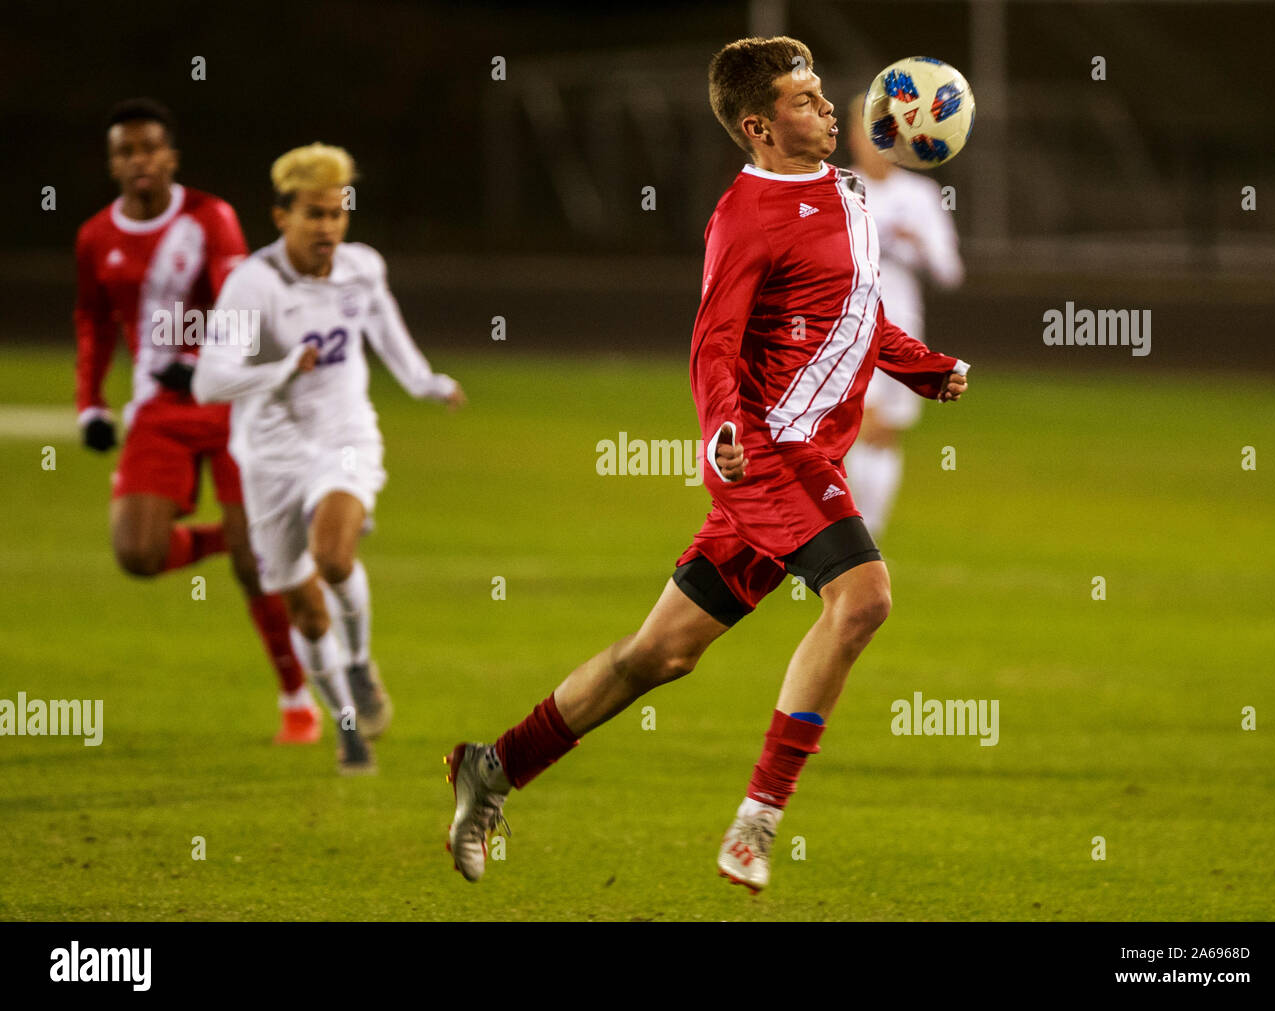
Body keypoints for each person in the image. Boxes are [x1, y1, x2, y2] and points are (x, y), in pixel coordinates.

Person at [444, 36, 970, 892]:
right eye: (805, 100)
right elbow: (713, 341)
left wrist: (924, 366)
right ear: (760, 127)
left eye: (821, 90)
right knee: (864, 597)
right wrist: (724, 423)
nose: (829, 107)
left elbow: (858, 316)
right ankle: (757, 822)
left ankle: (493, 767)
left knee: (659, 654)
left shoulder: (847, 193)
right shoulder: (744, 214)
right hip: (765, 455)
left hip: (803, 456)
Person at [193, 143, 466, 774]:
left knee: (334, 556)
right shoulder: (252, 285)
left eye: (338, 215)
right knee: (304, 610)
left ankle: (362, 664)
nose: (329, 229)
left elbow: (385, 329)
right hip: (269, 458)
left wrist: (424, 381)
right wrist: (281, 368)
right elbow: (210, 382)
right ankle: (345, 723)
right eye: (314, 215)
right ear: (280, 216)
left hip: (345, 439)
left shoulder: (361, 268)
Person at [74, 98, 319, 745]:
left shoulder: (210, 218)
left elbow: (239, 300)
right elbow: (94, 324)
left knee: (257, 569)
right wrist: (90, 405)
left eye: (150, 147)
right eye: (127, 151)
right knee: (137, 554)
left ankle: (297, 699)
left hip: (233, 403)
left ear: (170, 156)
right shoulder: (96, 237)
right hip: (158, 410)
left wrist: (210, 362)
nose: (140, 160)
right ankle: (227, 538)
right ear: (113, 164)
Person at [842, 92, 965, 535]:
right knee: (862, 422)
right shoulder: (837, 188)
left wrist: (916, 245)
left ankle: (866, 536)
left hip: (902, 328)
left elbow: (950, 271)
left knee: (883, 433)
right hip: (847, 327)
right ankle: (850, 538)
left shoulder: (920, 194)